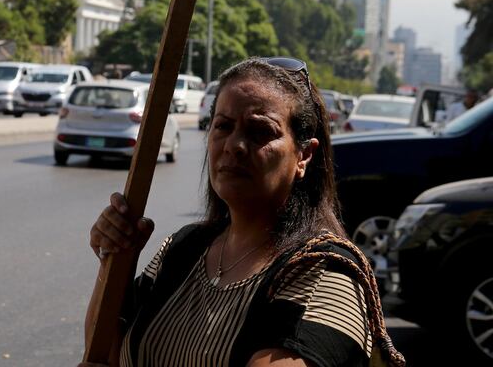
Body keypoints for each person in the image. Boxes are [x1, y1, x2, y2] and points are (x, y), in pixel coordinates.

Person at [82, 57, 403, 367]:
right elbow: (106, 354)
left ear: (303, 155)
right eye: (223, 126)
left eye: (260, 131)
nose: (234, 144)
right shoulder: (181, 250)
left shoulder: (325, 275)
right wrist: (116, 258)